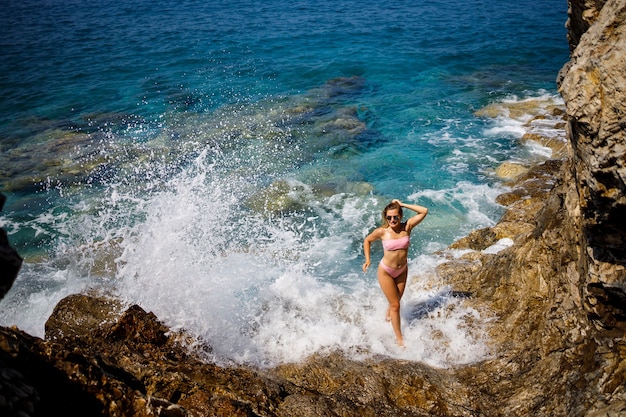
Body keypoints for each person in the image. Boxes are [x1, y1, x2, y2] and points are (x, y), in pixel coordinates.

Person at [362, 199, 428, 348]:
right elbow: (367, 240)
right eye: (389, 217)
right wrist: (367, 260)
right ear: (385, 218)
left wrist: (402, 204)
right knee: (396, 305)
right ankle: (400, 339)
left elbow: (424, 211)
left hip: (402, 270)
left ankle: (388, 315)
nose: (392, 220)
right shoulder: (382, 231)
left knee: (395, 301)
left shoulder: (407, 227)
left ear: (400, 216)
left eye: (395, 217)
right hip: (386, 271)